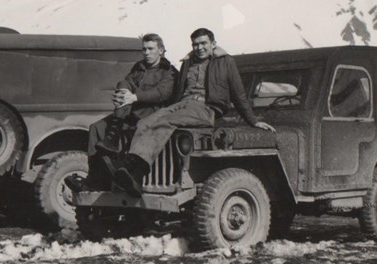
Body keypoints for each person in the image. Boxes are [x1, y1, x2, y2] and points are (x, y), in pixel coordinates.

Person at [110, 28, 275, 197]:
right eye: (195, 44)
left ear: (213, 44)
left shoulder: (225, 62)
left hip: (205, 108)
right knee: (144, 122)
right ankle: (130, 172)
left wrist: (253, 121)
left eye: (203, 43)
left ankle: (138, 171)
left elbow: (239, 93)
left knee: (165, 121)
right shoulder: (188, 62)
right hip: (183, 104)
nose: (199, 48)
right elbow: (176, 91)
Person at [65, 33, 177, 192]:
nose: (146, 53)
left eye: (151, 49)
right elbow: (127, 82)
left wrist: (134, 97)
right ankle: (95, 178)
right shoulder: (139, 68)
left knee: (129, 116)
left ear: (161, 50)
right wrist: (122, 93)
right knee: (96, 128)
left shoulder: (168, 71)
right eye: (144, 49)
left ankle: (115, 141)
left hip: (151, 112)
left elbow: (162, 94)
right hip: (129, 111)